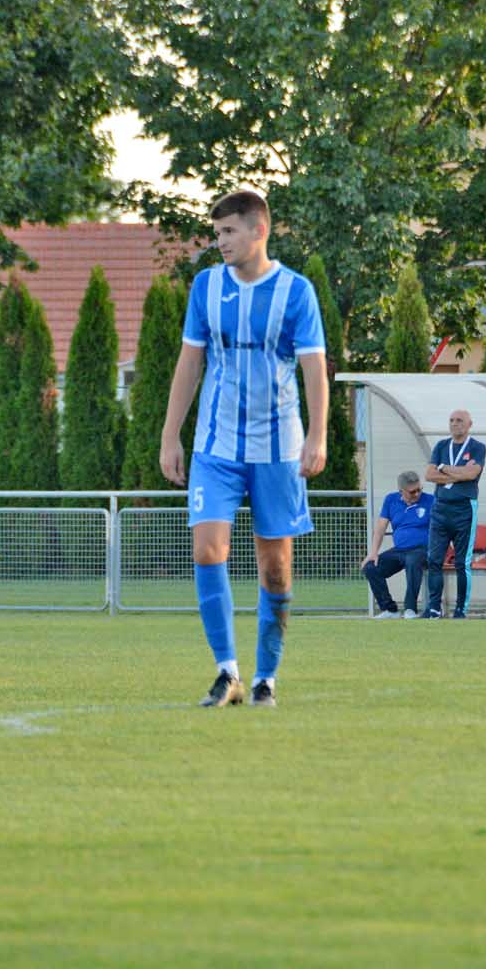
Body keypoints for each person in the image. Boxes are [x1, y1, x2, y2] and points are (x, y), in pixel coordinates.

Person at [159, 190, 327, 710]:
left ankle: (265, 678)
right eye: (217, 233)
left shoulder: (296, 291)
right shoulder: (206, 287)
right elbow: (190, 363)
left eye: (229, 232)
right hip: (216, 446)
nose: (220, 243)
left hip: (278, 448)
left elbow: (314, 369)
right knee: (207, 549)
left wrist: (318, 436)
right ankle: (227, 671)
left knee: (274, 567)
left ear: (259, 231)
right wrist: (171, 434)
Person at [423, 409, 486, 618]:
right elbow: (430, 475)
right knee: (434, 559)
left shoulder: (477, 447)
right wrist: (457, 473)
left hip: (464, 509)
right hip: (440, 508)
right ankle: (433, 607)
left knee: (462, 562)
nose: (454, 424)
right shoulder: (441, 446)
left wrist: (444, 468)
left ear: (469, 424)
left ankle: (461, 608)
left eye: (459, 421)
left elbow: (472, 473)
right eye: (451, 420)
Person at [362, 470, 434, 619]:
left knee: (412, 561)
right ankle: (390, 610)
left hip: (421, 549)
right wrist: (373, 552)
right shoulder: (391, 500)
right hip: (399, 550)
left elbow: (441, 527)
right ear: (401, 491)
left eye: (419, 489)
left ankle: (410, 609)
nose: (417, 494)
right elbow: (381, 527)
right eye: (412, 492)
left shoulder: (431, 500)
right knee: (370, 567)